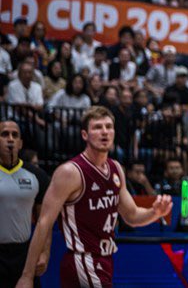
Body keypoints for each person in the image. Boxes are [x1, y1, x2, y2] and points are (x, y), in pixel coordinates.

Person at [15, 106, 172, 288]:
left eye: (108, 126)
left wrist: (155, 212)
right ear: (84, 135)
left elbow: (132, 216)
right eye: (97, 127)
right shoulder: (70, 172)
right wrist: (27, 275)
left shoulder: (116, 169)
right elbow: (44, 222)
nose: (104, 132)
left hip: (105, 260)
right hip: (83, 260)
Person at [0, 120, 50, 288]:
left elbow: (45, 220)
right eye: (4, 134)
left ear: (20, 143)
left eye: (15, 135)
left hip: (24, 255)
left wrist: (44, 252)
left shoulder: (37, 176)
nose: (10, 139)